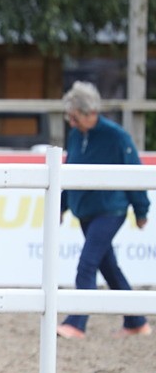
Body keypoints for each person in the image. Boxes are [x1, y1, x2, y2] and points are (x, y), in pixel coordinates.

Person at [56, 81, 150, 339]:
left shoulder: (117, 137)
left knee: (86, 264)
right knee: (109, 267)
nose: (71, 123)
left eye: (74, 117)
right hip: (85, 211)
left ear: (89, 113)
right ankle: (136, 320)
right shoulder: (77, 136)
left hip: (111, 210)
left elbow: (135, 174)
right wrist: (61, 206)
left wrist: (141, 210)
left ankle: (76, 322)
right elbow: (70, 172)